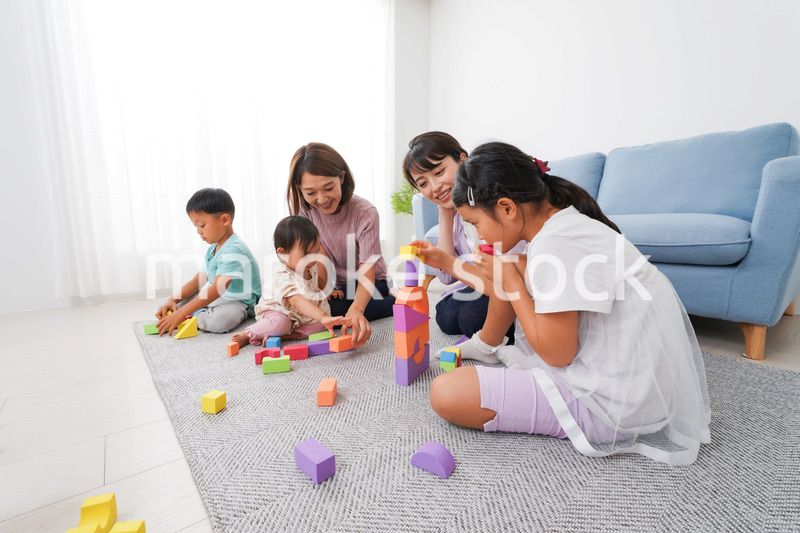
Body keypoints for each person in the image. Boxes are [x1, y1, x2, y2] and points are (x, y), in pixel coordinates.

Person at [424, 142, 711, 465]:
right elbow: (501, 285)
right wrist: (458, 267)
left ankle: (504, 360)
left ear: (506, 208)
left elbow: (558, 354)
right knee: (513, 266)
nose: (480, 235)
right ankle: (485, 345)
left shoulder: (555, 246)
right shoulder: (562, 225)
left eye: (476, 224)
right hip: (637, 382)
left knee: (446, 392)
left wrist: (514, 284)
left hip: (613, 403)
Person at [403, 132, 525, 363]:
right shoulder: (457, 216)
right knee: (445, 314)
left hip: (511, 284)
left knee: (470, 315)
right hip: (486, 285)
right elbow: (447, 279)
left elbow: (505, 279)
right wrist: (444, 214)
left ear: (463, 159)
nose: (435, 187)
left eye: (439, 172)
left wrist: (450, 264)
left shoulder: (491, 207)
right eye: (423, 183)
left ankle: (503, 335)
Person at [287, 142, 395, 347]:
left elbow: (368, 271)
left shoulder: (365, 213)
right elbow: (308, 262)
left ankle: (394, 301)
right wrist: (318, 291)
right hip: (332, 286)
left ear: (342, 178)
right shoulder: (305, 214)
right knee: (304, 306)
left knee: (345, 308)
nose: (322, 199)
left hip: (368, 283)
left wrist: (357, 309)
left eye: (328, 188)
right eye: (310, 193)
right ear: (300, 190)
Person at [231, 216, 349, 347]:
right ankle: (248, 334)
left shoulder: (310, 265)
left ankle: (289, 335)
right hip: (279, 311)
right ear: (283, 253)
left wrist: (326, 291)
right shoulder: (282, 275)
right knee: (282, 323)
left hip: (301, 314)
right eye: (306, 255)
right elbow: (296, 300)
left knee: (323, 325)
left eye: (316, 252)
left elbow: (315, 283)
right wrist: (323, 317)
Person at [156, 188, 261, 335]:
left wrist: (181, 313)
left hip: (239, 302)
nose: (198, 231)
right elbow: (197, 282)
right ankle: (197, 312)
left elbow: (217, 288)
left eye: (202, 225)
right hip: (217, 298)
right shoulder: (213, 249)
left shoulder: (234, 249)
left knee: (219, 322)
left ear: (224, 220)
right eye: (196, 226)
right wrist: (173, 299)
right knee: (166, 304)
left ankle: (193, 315)